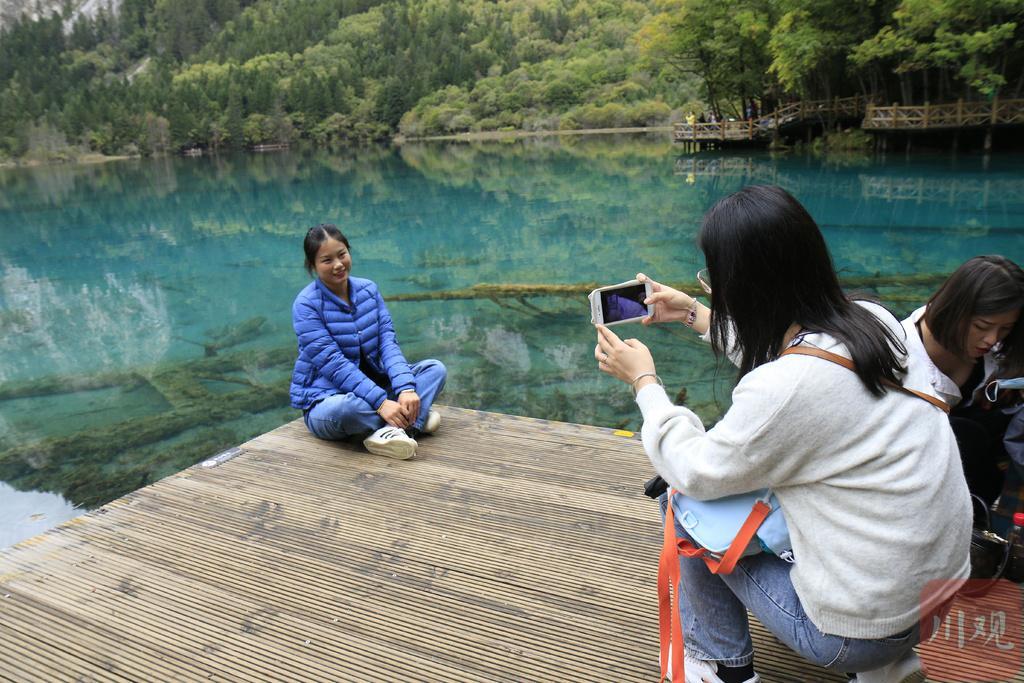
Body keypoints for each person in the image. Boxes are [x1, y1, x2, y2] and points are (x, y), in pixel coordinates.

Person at [594, 185, 971, 683]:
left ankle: (723, 669)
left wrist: (644, 381)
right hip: (937, 599)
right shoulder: (873, 320)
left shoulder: (784, 391)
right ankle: (890, 664)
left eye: (715, 280)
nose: (711, 288)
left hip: (852, 635)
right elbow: (796, 365)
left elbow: (693, 469)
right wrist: (692, 314)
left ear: (747, 287)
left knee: (679, 505)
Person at [290, 224, 447, 460]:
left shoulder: (369, 290)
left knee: (435, 369)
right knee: (348, 409)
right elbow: (334, 365)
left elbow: (388, 343)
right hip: (328, 399)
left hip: (375, 387)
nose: (338, 265)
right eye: (327, 260)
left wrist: (405, 387)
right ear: (312, 265)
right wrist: (382, 402)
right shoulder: (306, 306)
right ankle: (413, 420)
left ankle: (390, 430)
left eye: (342, 254)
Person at [901, 256, 1024, 529]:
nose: (992, 339)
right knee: (966, 433)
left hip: (984, 482)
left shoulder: (999, 352)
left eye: (1005, 329)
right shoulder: (900, 358)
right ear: (955, 310)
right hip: (917, 487)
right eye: (981, 327)